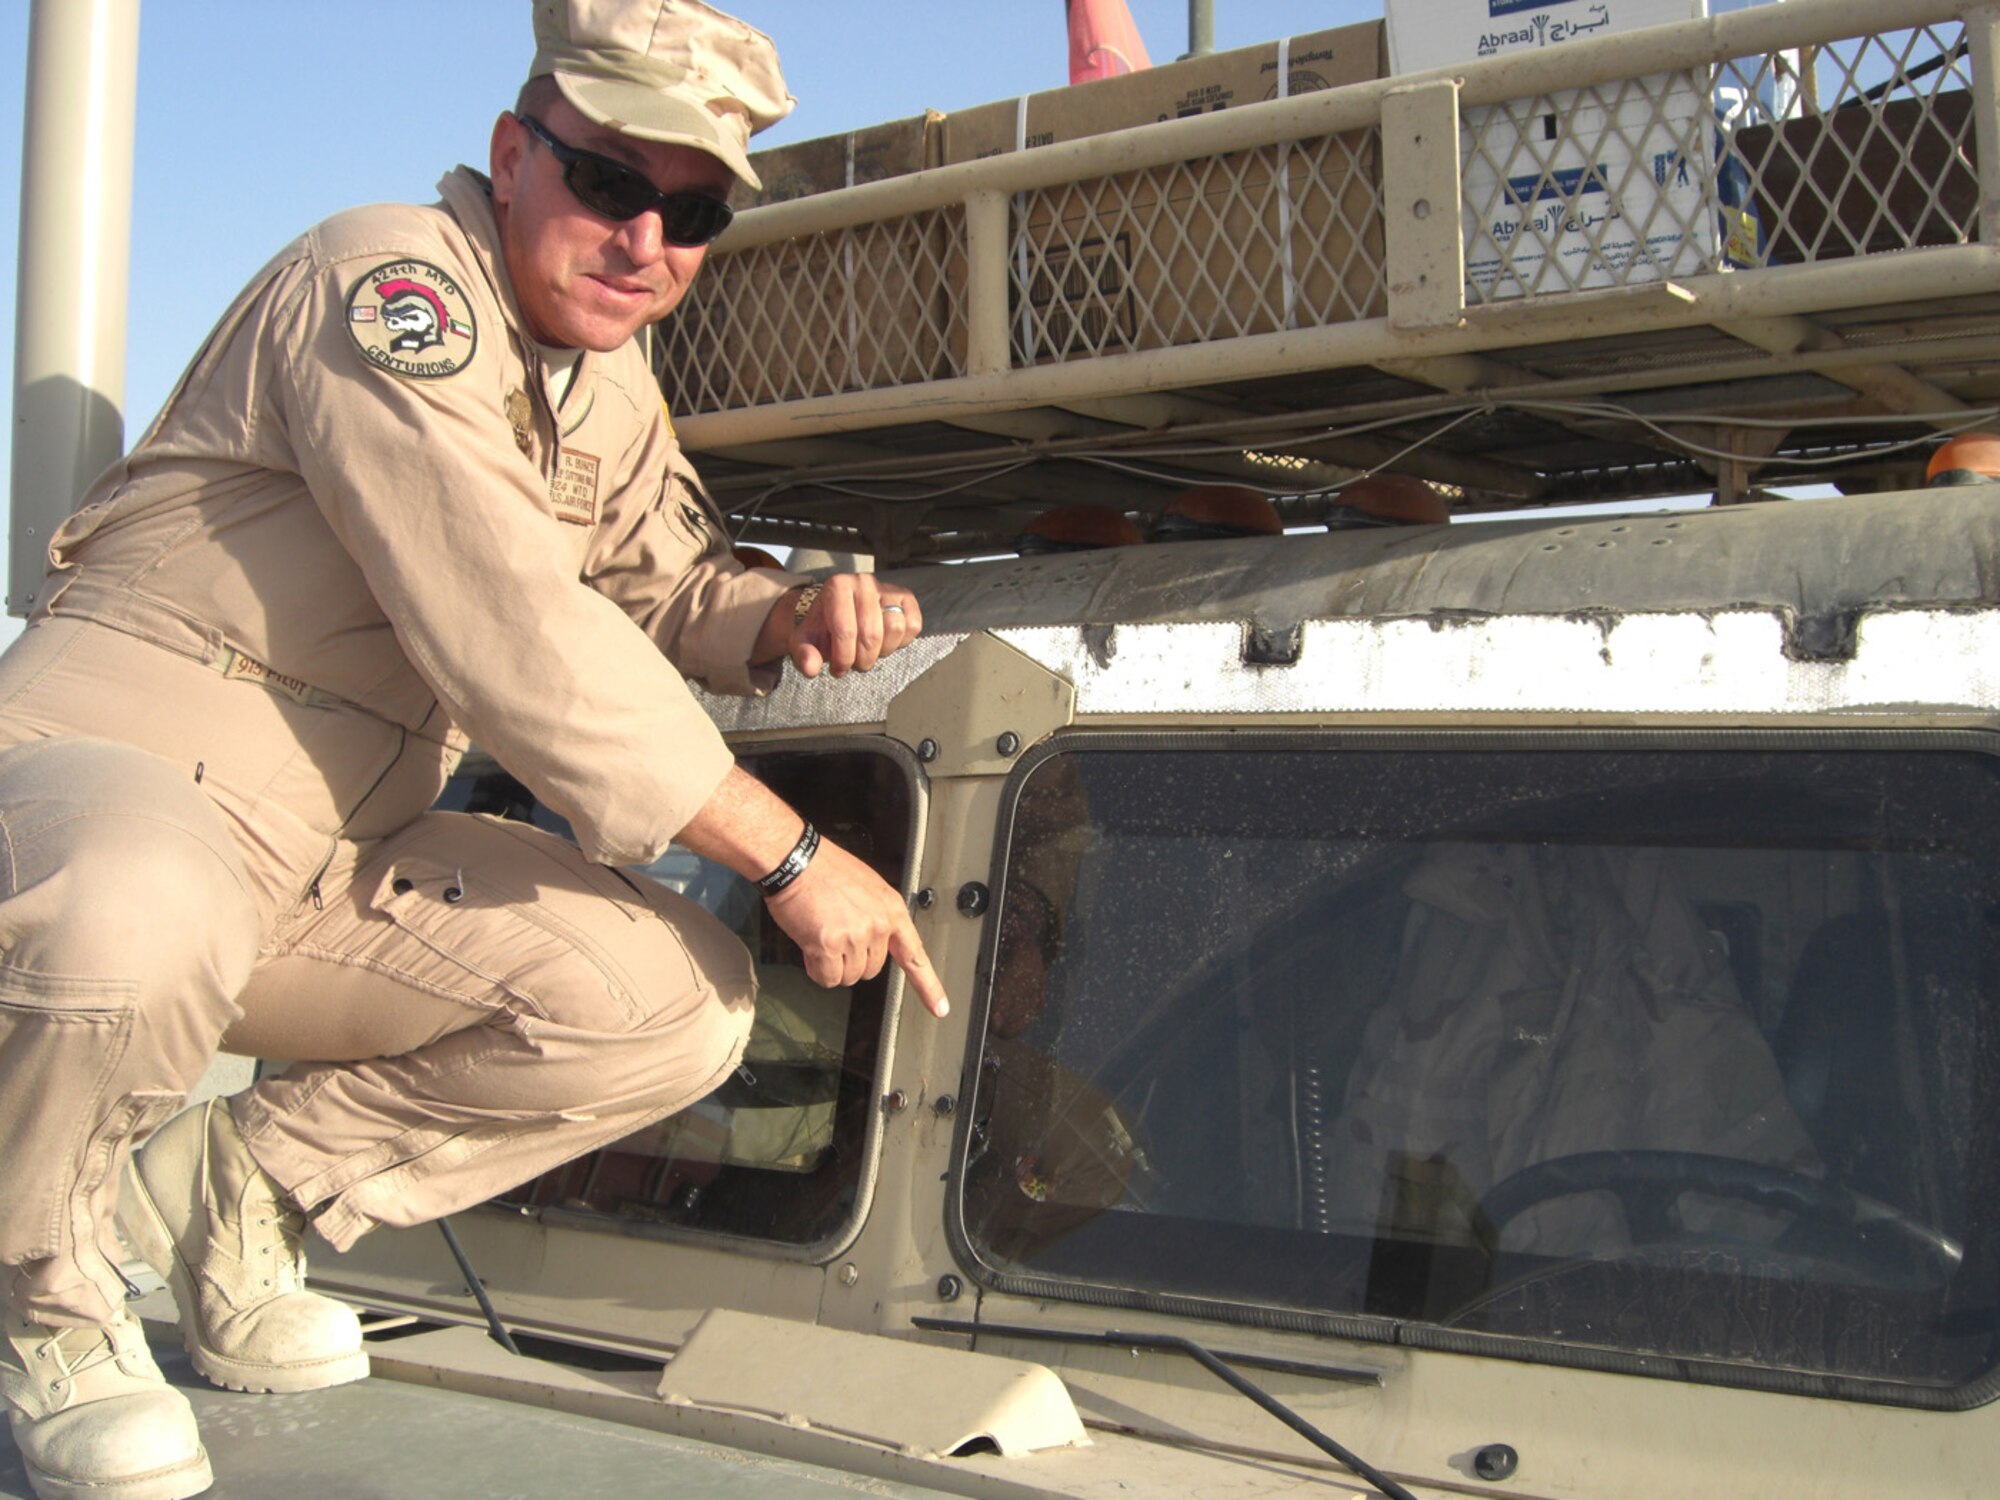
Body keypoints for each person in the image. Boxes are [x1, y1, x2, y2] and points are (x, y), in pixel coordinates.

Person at [0, 5, 946, 1498]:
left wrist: (784, 615)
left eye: (692, 212)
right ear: (513, 154)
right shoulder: (389, 290)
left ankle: (249, 1188)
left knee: (669, 1003)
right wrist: (792, 853)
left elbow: (667, 583)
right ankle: (40, 1295)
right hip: (109, 778)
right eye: (612, 185)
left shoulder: (602, 379)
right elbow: (517, 629)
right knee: (138, 906)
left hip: (328, 855)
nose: (648, 239)